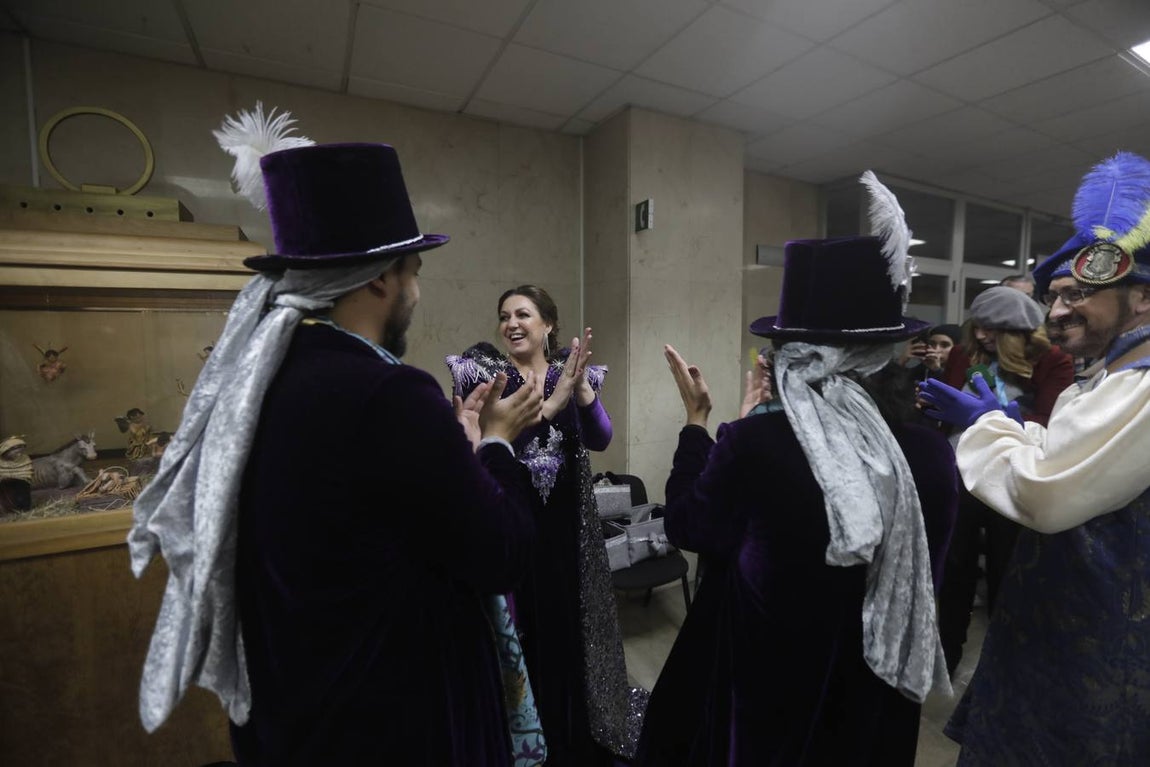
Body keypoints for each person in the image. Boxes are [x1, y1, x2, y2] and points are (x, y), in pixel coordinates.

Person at [127, 105, 547, 766]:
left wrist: (451, 445)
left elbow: (364, 505)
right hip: (387, 717)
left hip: (297, 707)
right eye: (414, 273)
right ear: (381, 276)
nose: (416, 293)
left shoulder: (264, 377)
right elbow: (501, 552)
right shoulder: (388, 393)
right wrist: (494, 444)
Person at [635, 171, 956, 766]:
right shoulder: (934, 455)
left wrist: (698, 425)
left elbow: (688, 526)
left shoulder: (756, 446)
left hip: (776, 708)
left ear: (801, 358)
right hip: (876, 704)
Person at [918, 150, 1150, 764]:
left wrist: (988, 424)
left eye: (1077, 294)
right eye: (1054, 296)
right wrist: (1014, 426)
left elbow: (1047, 494)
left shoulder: (1144, 388)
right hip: (1059, 626)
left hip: (1101, 653)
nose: (1056, 312)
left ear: (1142, 298)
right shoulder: (1101, 382)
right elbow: (1063, 456)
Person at [446, 285, 647, 766]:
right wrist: (551, 404)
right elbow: (485, 445)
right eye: (504, 316)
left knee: (565, 625)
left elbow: (601, 438)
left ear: (548, 324)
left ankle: (567, 728)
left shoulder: (568, 374)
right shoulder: (486, 375)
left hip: (565, 526)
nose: (511, 324)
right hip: (513, 517)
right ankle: (523, 735)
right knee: (522, 627)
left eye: (523, 314)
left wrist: (582, 392)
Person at [931, 287, 1074, 677]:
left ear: (1018, 331)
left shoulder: (1052, 361)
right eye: (977, 326)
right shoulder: (962, 355)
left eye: (991, 329)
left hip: (1011, 478)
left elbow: (1051, 424)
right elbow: (947, 407)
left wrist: (997, 419)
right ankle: (945, 658)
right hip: (958, 474)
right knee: (954, 569)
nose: (980, 336)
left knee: (1006, 569)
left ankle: (1001, 669)